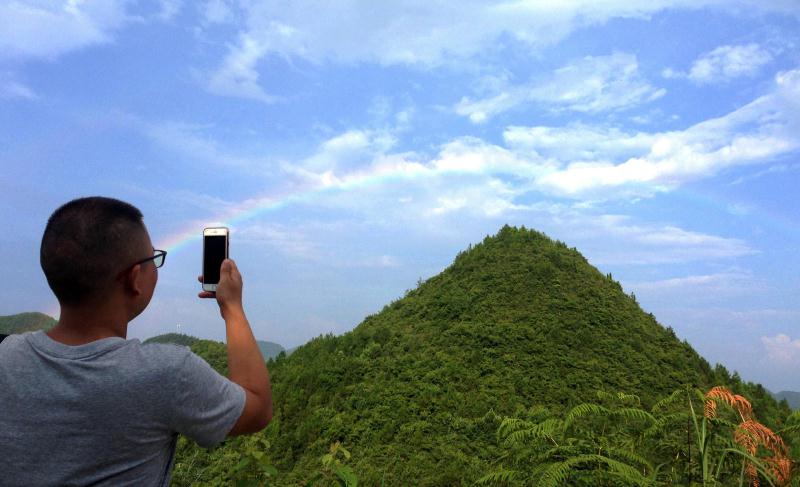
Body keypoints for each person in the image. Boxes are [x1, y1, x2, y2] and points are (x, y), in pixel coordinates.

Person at [0, 196, 272, 486]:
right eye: (153, 258)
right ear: (134, 279)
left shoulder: (7, 356)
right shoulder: (166, 373)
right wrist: (232, 308)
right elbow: (258, 407)